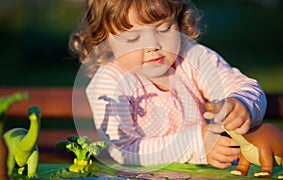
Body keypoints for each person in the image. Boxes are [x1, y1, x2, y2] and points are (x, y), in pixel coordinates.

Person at [69, 0, 266, 169]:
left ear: (179, 23)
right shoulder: (109, 83)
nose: (153, 46)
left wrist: (242, 104)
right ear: (104, 39)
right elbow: (123, 150)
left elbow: (246, 88)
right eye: (133, 37)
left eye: (164, 29)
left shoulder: (193, 58)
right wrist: (194, 145)